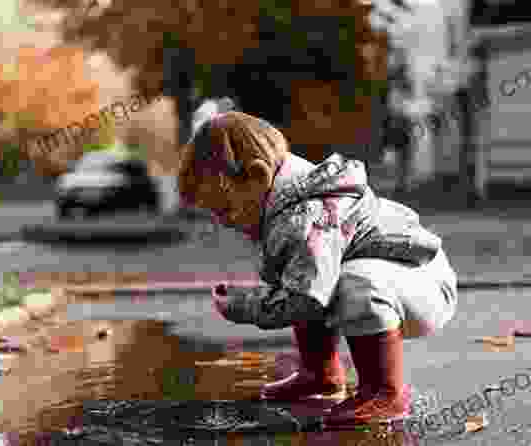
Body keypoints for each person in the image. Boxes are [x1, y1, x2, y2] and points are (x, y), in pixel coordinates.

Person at [177, 97, 458, 424]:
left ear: (256, 176)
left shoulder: (312, 216)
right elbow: (301, 282)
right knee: (307, 274)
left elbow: (305, 299)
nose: (223, 222)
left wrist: (246, 306)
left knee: (350, 282)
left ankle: (386, 392)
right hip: (400, 283)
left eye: (225, 209)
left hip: (423, 285)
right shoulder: (286, 206)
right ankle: (319, 374)